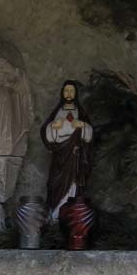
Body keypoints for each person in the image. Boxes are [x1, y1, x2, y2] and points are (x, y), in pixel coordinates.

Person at [40, 80, 94, 219]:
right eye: (66, 91)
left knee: (73, 185)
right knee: (55, 184)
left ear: (75, 93)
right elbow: (45, 132)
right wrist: (53, 126)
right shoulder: (57, 112)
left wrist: (82, 125)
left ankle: (69, 216)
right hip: (59, 155)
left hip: (74, 156)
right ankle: (54, 216)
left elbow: (90, 136)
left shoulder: (80, 112)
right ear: (62, 93)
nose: (69, 94)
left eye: (71, 91)